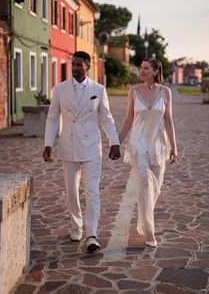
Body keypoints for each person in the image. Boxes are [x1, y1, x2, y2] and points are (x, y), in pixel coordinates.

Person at [43, 51, 120, 253]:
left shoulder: (98, 89)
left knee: (92, 191)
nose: (75, 67)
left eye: (79, 64)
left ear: (88, 66)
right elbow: (52, 118)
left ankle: (91, 235)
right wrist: (48, 144)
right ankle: (76, 227)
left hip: (92, 147)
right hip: (68, 146)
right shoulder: (59, 89)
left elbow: (106, 118)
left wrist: (115, 142)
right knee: (72, 192)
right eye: (73, 64)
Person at [118, 57, 177, 247]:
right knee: (144, 184)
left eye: (145, 68)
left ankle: (144, 220)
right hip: (138, 142)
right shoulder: (133, 92)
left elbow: (168, 121)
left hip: (158, 144)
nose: (141, 71)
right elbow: (128, 120)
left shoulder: (165, 92)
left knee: (156, 187)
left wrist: (173, 146)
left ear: (155, 71)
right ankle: (150, 232)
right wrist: (115, 143)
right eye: (140, 68)